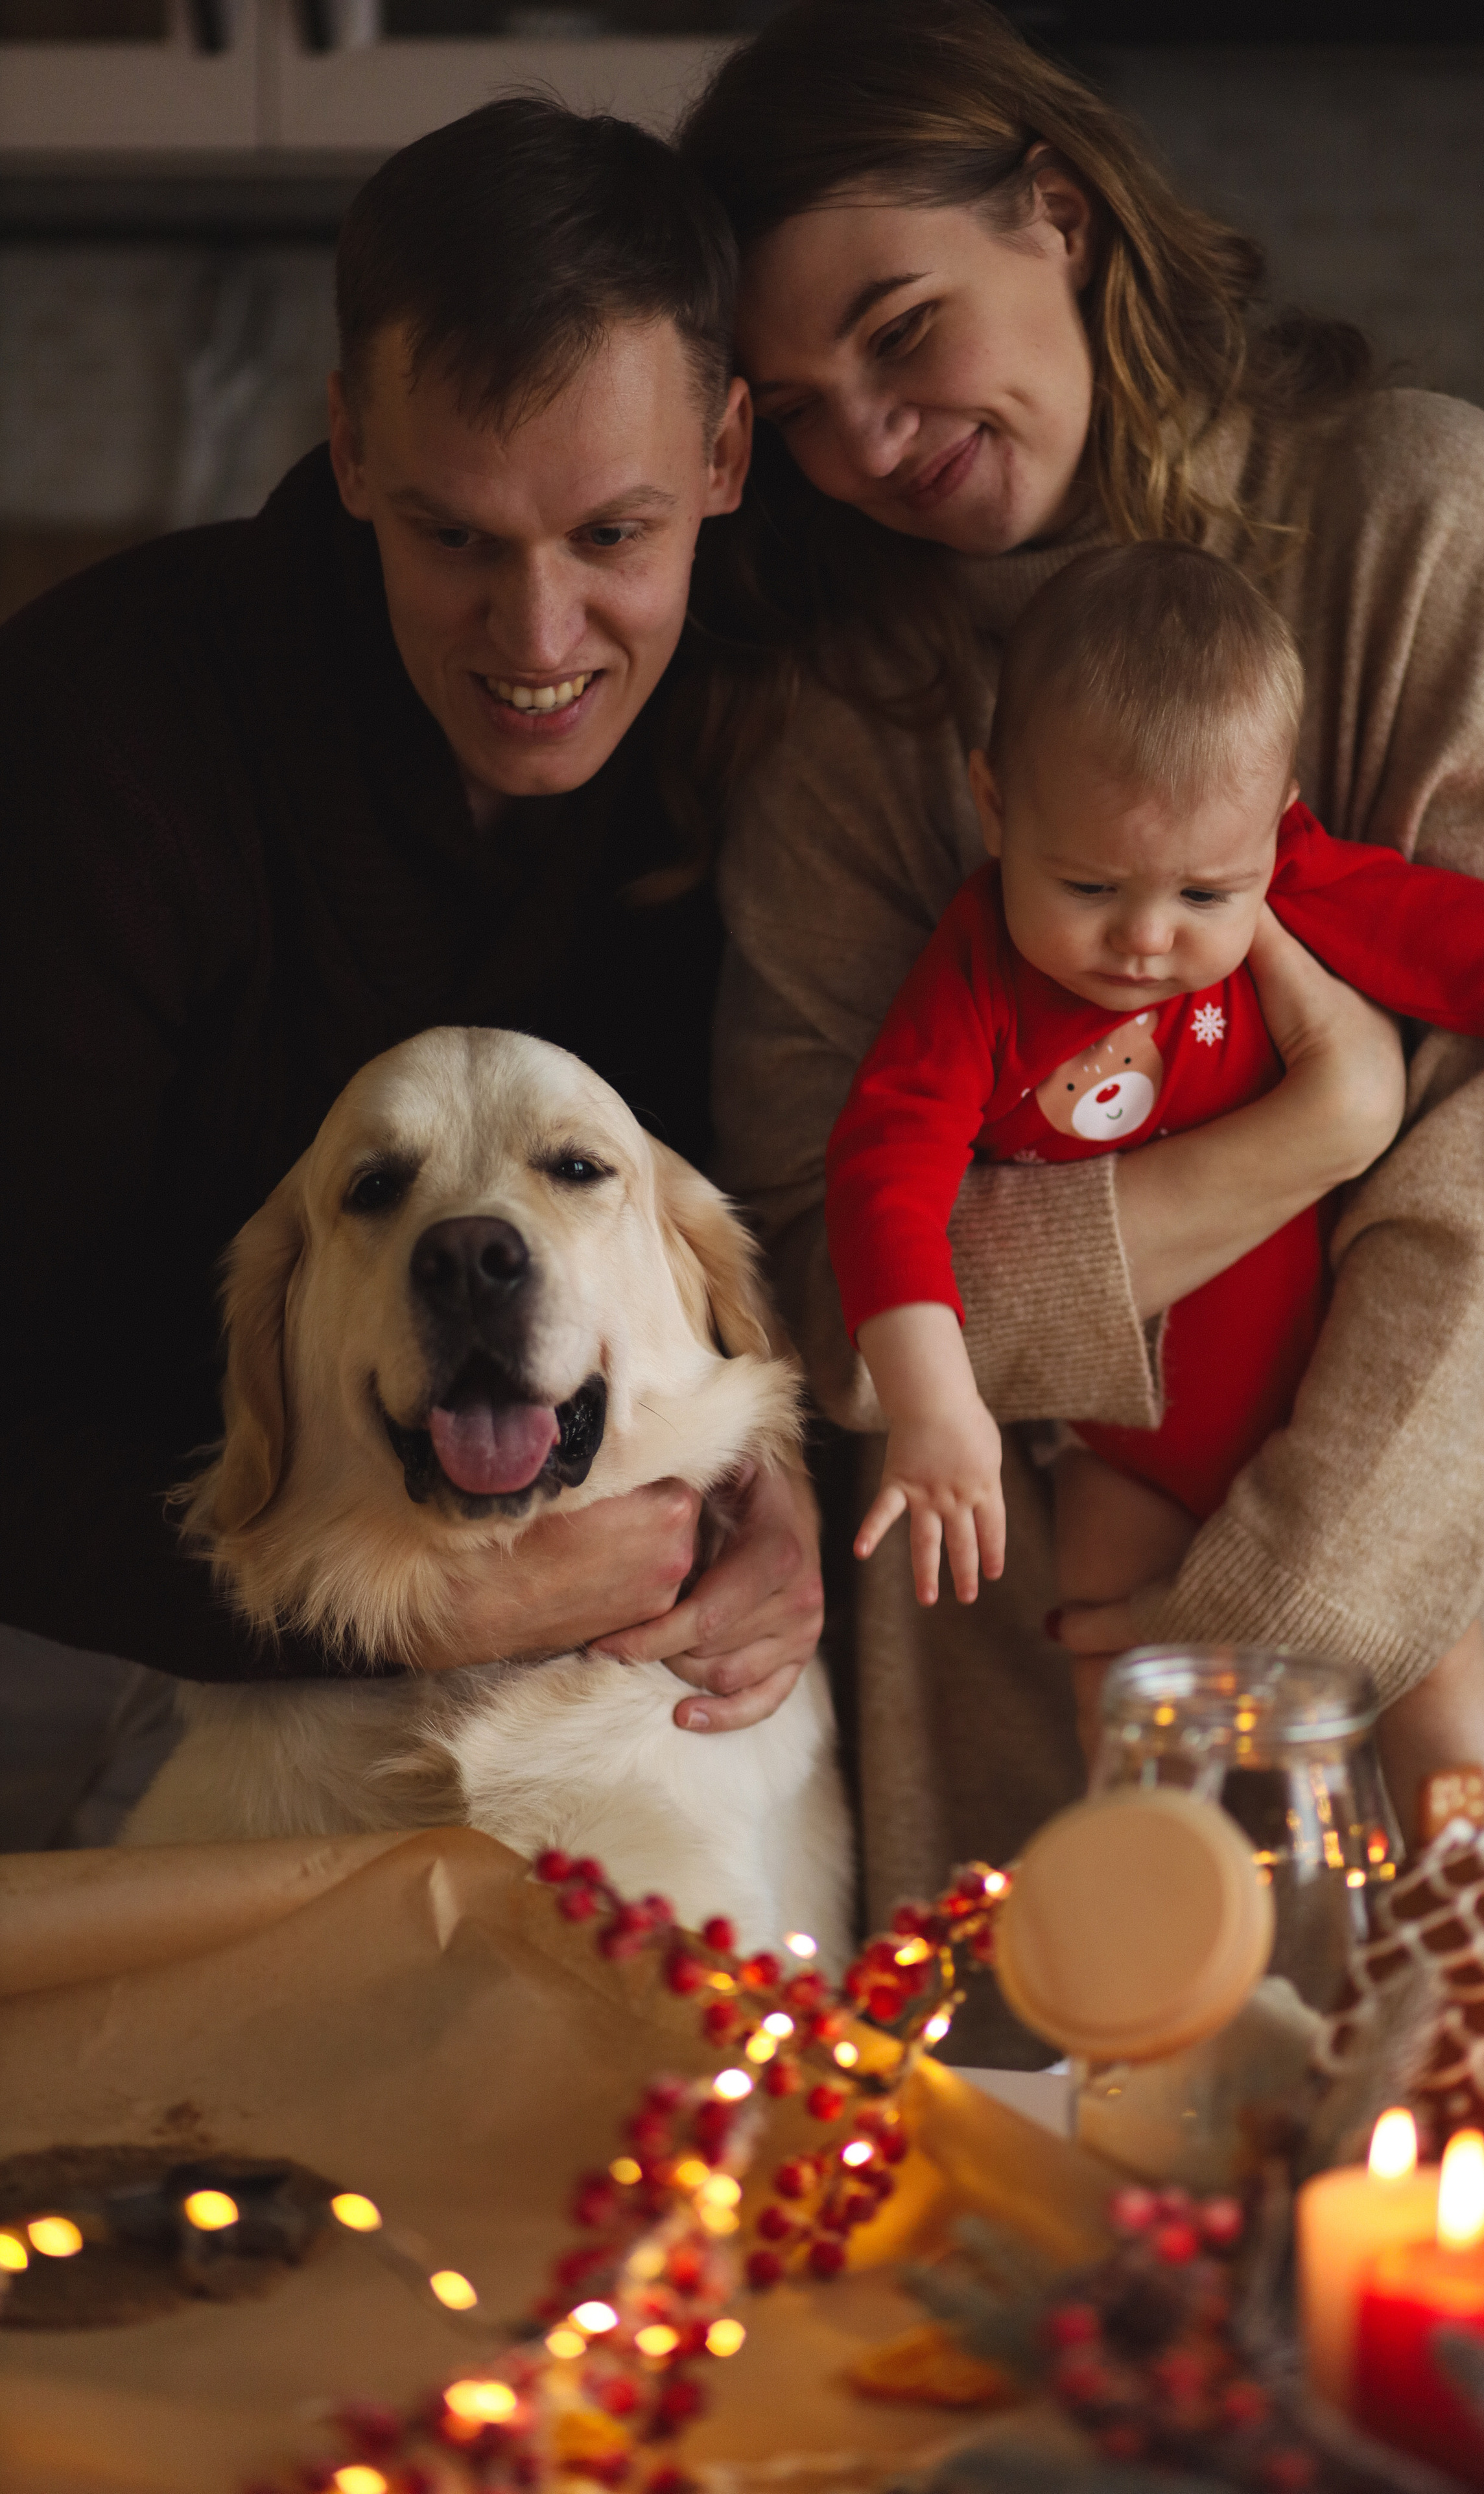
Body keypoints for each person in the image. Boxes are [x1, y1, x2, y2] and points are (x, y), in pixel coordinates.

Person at [679, 0, 1484, 1964]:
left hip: (1389, 1644)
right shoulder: (842, 709)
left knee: (1422, 2188)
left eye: (902, 329)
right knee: (1029, 2203)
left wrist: (1256, 1635)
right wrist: (1319, 1127)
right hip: (1011, 1678)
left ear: (1060, 212)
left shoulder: (1411, 523)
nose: (868, 442)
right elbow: (820, 1303)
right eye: (801, 405)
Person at [0, 99, 821, 1812]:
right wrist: (413, 1615)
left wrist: (780, 1485)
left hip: (644, 1670)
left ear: (730, 458)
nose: (538, 642)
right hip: (200, 1653)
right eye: (456, 535)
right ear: (353, 450)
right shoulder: (92, 746)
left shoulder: (784, 732)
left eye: (615, 535)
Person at [825, 541, 1484, 1791]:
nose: (1148, 940)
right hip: (1128, 1445)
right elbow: (884, 1174)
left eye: (1207, 892)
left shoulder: (1301, 886)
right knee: (1127, 1731)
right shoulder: (976, 976)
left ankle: (1483, 1950)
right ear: (997, 809)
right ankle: (1168, 1968)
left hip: (1335, 1417)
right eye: (1089, 884)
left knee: (1441, 1710)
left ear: (1276, 831)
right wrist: (935, 1402)